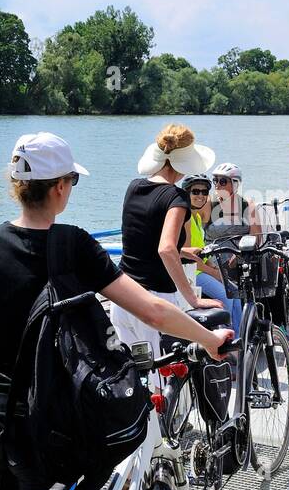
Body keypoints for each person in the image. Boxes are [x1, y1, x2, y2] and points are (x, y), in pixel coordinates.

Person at [0, 132, 233, 490]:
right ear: (61, 187)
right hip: (44, 427)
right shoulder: (74, 245)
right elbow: (153, 311)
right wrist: (209, 339)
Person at [112, 123, 223, 354]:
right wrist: (192, 299)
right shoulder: (176, 196)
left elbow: (144, 241)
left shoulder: (134, 187)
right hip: (154, 303)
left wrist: (184, 252)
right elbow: (165, 249)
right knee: (163, 384)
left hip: (122, 298)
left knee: (135, 382)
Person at [180, 172, 242, 335]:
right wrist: (215, 273)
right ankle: (225, 338)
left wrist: (216, 269)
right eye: (195, 192)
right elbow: (189, 257)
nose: (200, 196)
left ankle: (240, 337)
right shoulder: (185, 218)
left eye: (204, 192)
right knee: (226, 297)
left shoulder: (197, 218)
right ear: (186, 193)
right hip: (192, 274)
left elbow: (202, 252)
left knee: (235, 292)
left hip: (201, 270)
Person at [205, 162, 262, 242]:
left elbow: (256, 238)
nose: (217, 185)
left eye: (223, 181)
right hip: (213, 253)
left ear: (235, 184)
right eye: (215, 180)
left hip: (241, 252)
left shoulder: (247, 205)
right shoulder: (208, 203)